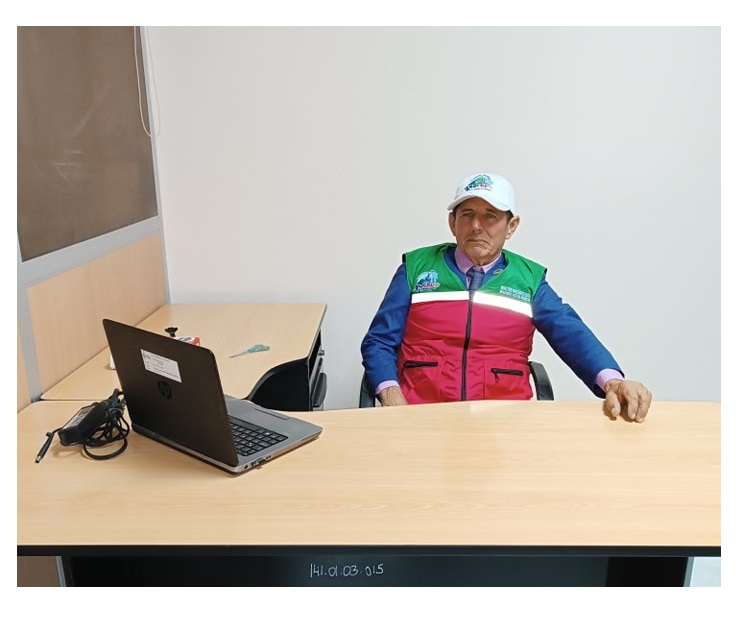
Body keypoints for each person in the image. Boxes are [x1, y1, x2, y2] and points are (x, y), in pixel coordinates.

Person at [360, 172, 652, 422]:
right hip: (421, 414)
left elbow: (571, 333)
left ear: (511, 226)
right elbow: (379, 341)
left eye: (490, 216)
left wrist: (612, 381)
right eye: (467, 214)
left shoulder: (528, 280)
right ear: (452, 222)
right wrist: (391, 394)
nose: (476, 225)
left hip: (504, 420)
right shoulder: (416, 269)